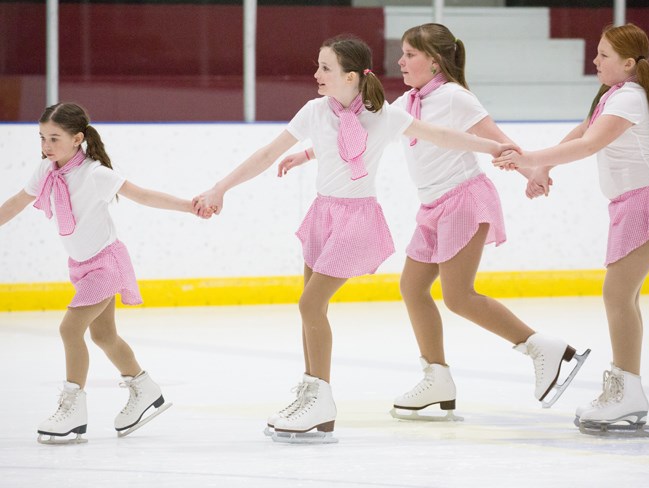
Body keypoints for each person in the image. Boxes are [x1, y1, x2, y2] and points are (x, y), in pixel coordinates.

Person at [193, 35, 520, 443]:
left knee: (310, 303)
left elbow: (443, 136)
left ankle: (322, 402)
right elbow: (266, 153)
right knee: (310, 308)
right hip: (323, 214)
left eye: (325, 68)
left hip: (357, 220)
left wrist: (497, 148)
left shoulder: (383, 116)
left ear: (351, 76)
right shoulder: (314, 111)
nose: (316, 74)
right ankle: (312, 391)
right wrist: (221, 187)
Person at [279, 24, 590, 422]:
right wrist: (306, 155)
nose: (400, 61)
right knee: (412, 287)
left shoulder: (456, 97)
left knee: (458, 296)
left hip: (463, 198)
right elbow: (362, 134)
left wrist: (531, 172)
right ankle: (438, 376)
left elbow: (496, 140)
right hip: (432, 207)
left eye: (410, 54)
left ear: (435, 60)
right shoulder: (407, 101)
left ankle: (539, 347)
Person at [493, 23, 649, 437]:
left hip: (647, 201)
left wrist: (526, 157)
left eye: (604, 55)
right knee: (622, 294)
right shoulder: (614, 95)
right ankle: (628, 389)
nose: (594, 61)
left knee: (617, 294)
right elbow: (582, 132)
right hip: (637, 201)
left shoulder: (630, 96)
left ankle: (627, 390)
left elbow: (589, 145)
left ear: (628, 64)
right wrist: (540, 167)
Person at [0, 102, 207, 444]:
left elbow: (141, 195)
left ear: (77, 138)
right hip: (80, 267)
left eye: (54, 138)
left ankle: (73, 409)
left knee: (70, 328)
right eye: (42, 138)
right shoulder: (46, 170)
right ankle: (144, 388)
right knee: (104, 337)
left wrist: (188, 205)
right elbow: (17, 202)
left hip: (106, 263)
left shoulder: (95, 173)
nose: (46, 146)